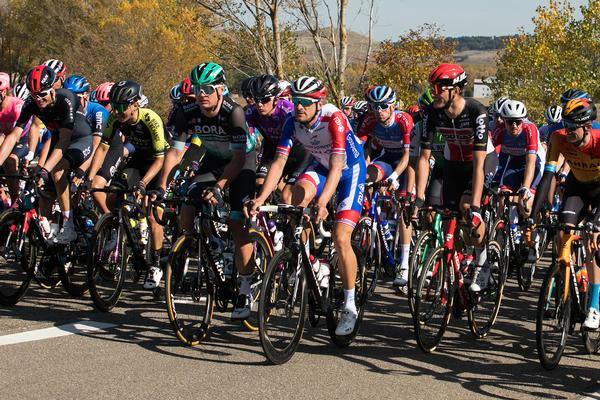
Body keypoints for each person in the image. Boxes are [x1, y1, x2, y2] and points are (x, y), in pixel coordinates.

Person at [248, 75, 366, 335]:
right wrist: (260, 198)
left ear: (318, 103)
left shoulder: (333, 119)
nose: (299, 106)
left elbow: (338, 167)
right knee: (292, 198)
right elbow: (278, 163)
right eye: (295, 101)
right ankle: (311, 261)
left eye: (305, 102)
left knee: (340, 236)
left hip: (349, 171)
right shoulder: (292, 122)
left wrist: (323, 202)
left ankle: (349, 305)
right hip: (322, 167)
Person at [166, 62, 257, 320]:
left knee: (238, 221)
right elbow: (175, 152)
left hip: (241, 163)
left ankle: (245, 287)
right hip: (214, 161)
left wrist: (218, 187)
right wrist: (162, 185)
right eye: (197, 88)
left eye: (207, 88)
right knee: (187, 205)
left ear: (221, 89)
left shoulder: (234, 112)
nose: (201, 93)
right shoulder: (188, 110)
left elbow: (238, 161)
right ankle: (206, 246)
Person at [415, 63, 497, 293]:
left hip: (481, 162)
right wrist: (419, 197)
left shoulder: (476, 112)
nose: (435, 91)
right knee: (450, 218)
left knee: (467, 208)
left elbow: (480, 164)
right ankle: (458, 263)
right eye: (433, 86)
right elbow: (424, 158)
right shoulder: (433, 112)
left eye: (440, 86)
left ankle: (482, 263)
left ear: (456, 89)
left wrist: (476, 206)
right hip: (454, 164)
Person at [86, 80, 168, 289]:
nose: (119, 111)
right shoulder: (115, 117)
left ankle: (156, 265)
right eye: (115, 106)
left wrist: (143, 183)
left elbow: (160, 160)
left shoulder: (151, 119)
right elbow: (103, 149)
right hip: (137, 160)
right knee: (113, 192)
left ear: (135, 104)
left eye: (123, 106)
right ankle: (117, 229)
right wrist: (91, 177)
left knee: (153, 212)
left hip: (158, 162)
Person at [0, 65, 92, 243]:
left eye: (42, 94)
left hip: (79, 140)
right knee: (43, 188)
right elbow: (14, 136)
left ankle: (69, 224)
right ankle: (51, 233)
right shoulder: (31, 103)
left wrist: (44, 168)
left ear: (53, 89)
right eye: (34, 95)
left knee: (56, 171)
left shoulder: (66, 99)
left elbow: (65, 140)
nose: (38, 99)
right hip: (58, 142)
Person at [529, 98, 600, 329]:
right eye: (566, 125)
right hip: (577, 186)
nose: (567, 131)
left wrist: (596, 221)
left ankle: (594, 307)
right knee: (562, 232)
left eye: (573, 128)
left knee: (592, 240)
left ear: (587, 127)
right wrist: (533, 215)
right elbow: (547, 176)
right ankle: (566, 282)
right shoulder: (558, 138)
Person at [358, 85, 414, 287]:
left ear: (392, 106)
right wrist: (361, 174)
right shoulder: (370, 120)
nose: (378, 111)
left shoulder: (403, 120)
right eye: (374, 107)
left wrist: (395, 177)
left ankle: (405, 263)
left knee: (403, 208)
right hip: (386, 159)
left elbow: (408, 156)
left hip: (406, 164)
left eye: (383, 106)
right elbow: (362, 150)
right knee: (366, 177)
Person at [246, 74, 308, 203]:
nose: (259, 104)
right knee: (259, 186)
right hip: (273, 150)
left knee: (287, 197)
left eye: (264, 100)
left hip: (298, 152)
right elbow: (247, 137)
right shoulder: (251, 112)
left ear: (276, 99)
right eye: (256, 99)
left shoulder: (288, 110)